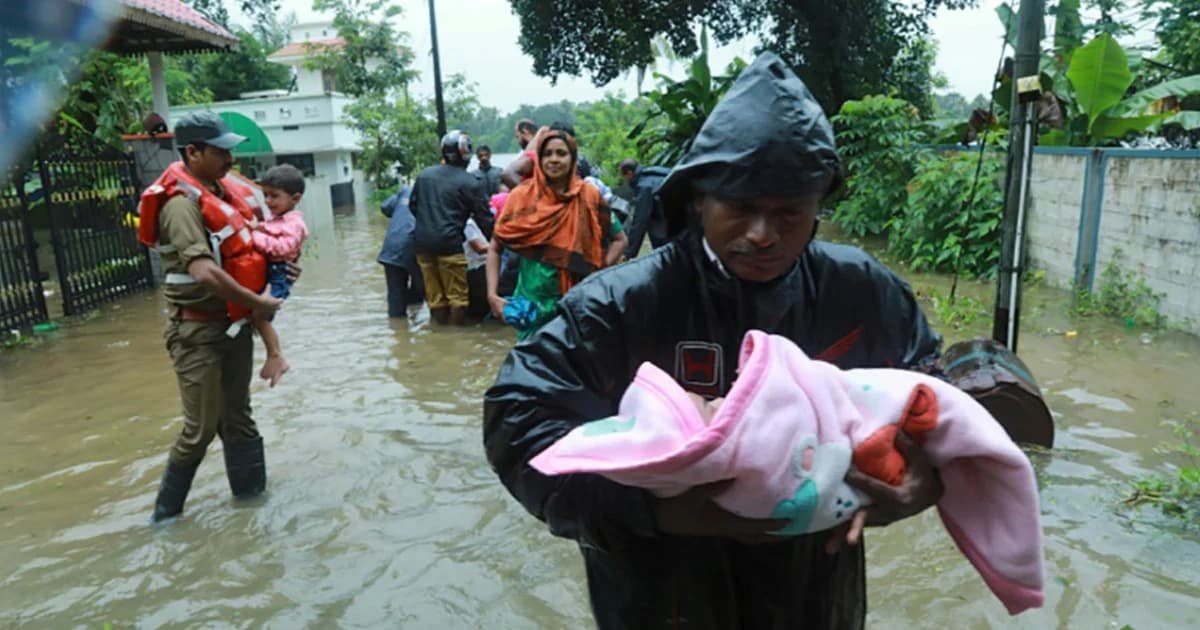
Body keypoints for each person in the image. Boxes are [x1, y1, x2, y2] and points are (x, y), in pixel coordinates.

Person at [483, 52, 946, 629]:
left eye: (790, 212)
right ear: (699, 198)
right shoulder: (621, 301)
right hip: (658, 592)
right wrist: (650, 510)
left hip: (814, 587)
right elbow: (516, 417)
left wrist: (926, 475)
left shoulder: (858, 290)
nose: (763, 234)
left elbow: (945, 387)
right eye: (741, 207)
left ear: (818, 207)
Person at [136, 111, 289, 522]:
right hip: (196, 332)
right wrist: (257, 303)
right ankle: (165, 522)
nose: (230, 160)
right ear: (193, 152)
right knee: (199, 430)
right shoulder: (179, 206)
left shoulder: (223, 193)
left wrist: (279, 273)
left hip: (234, 326)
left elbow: (250, 250)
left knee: (239, 420)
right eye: (221, 152)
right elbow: (203, 271)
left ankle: (252, 511)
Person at [484, 128, 628, 341]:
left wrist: (598, 272)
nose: (554, 159)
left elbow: (620, 239)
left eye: (561, 153)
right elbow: (495, 248)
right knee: (532, 358)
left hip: (578, 302)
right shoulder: (521, 197)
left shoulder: (589, 196)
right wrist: (492, 295)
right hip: (532, 305)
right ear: (539, 160)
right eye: (547, 154)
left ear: (573, 159)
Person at [410, 129, 493, 326]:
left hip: (422, 244)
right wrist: (497, 244)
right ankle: (455, 335)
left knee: (435, 297)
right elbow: (485, 219)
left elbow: (414, 206)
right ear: (466, 153)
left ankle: (439, 333)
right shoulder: (470, 182)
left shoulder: (425, 175)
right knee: (458, 298)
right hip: (450, 244)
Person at [246, 164, 309, 387]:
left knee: (260, 315)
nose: (268, 201)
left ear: (295, 198)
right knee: (258, 315)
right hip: (273, 272)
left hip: (279, 274)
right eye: (265, 195)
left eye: (274, 196)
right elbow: (271, 231)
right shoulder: (278, 219)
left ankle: (276, 355)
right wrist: (260, 229)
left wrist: (254, 236)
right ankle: (274, 355)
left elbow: (282, 248)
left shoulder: (295, 223)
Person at [378, 182, 425, 318]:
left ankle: (398, 327)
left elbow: (385, 207)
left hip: (391, 247)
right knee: (426, 289)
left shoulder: (405, 191)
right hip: (416, 247)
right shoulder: (434, 194)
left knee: (395, 296)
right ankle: (419, 319)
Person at [619, 158, 672, 258]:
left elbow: (640, 220)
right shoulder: (653, 174)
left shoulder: (644, 187)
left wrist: (628, 253)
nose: (625, 181)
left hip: (667, 229)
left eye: (624, 177)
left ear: (629, 173)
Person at [463, 216, 491, 318]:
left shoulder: (461, 221)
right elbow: (479, 248)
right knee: (480, 306)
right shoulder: (468, 223)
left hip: (471, 266)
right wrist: (498, 245)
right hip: (477, 266)